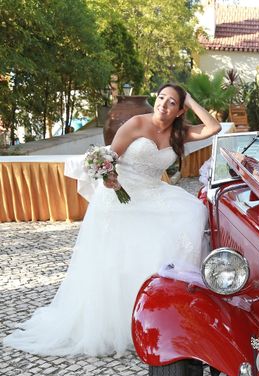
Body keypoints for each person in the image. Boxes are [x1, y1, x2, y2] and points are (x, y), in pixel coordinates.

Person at [3, 83, 221, 356]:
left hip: (152, 193)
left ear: (179, 111)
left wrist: (190, 99)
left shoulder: (179, 132)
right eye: (161, 98)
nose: (163, 105)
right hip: (122, 194)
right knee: (123, 256)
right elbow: (108, 157)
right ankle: (124, 320)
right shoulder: (136, 123)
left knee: (193, 213)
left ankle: (167, 309)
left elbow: (214, 128)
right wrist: (108, 177)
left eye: (172, 103)